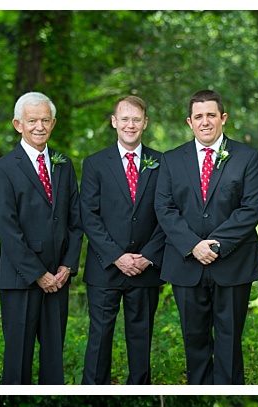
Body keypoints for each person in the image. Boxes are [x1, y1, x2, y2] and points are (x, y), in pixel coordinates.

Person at [154, 90, 258, 384]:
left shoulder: (248, 157)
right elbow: (164, 208)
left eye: (211, 115)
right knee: (194, 339)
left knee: (230, 339)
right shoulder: (171, 160)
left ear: (223, 118)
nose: (205, 122)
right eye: (199, 116)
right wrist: (193, 245)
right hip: (186, 264)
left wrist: (216, 245)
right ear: (189, 122)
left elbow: (251, 207)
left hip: (233, 261)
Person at [0, 92, 83, 384]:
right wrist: (38, 273)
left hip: (59, 276)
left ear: (53, 123)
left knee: (54, 360)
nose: (39, 126)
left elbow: (76, 220)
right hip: (20, 278)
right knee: (18, 361)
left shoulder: (63, 164)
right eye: (32, 121)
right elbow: (7, 230)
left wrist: (67, 266)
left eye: (44, 120)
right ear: (18, 124)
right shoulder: (2, 169)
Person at [79, 96, 168, 384]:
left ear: (145, 123)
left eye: (136, 119)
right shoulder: (94, 164)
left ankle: (139, 390)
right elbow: (89, 215)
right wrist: (117, 256)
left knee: (141, 338)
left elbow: (167, 213)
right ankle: (93, 392)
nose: (131, 125)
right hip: (105, 267)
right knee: (100, 338)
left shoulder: (162, 162)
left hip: (146, 267)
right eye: (125, 119)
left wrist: (147, 256)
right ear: (114, 122)